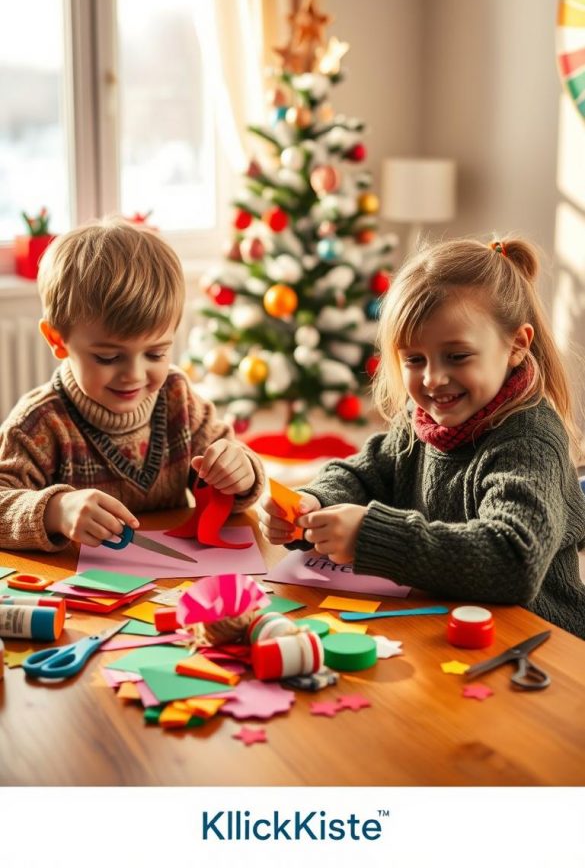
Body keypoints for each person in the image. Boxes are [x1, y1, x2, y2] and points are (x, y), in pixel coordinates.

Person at [258, 236, 585, 639]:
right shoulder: (423, 420)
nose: (432, 379)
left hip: (541, 645)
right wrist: (315, 500)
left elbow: (514, 560)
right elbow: (366, 473)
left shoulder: (530, 440)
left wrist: (370, 535)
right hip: (445, 626)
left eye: (457, 356)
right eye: (415, 359)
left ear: (516, 345)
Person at [0, 218, 265, 552]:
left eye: (156, 353)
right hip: (77, 593)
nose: (135, 376)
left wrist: (241, 474)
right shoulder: (38, 424)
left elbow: (229, 490)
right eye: (109, 357)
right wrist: (55, 511)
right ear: (57, 340)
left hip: (167, 588)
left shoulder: (177, 397)